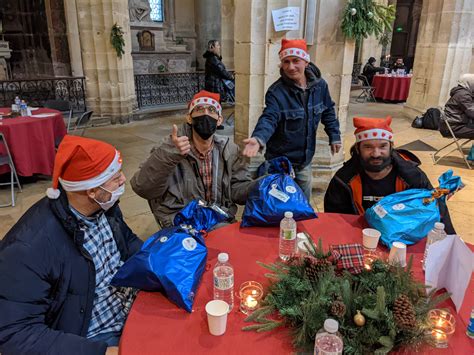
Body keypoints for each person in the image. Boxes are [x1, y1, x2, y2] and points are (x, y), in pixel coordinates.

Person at [0, 135, 143, 355]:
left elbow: (128, 243)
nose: (123, 180)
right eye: (115, 177)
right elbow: (16, 334)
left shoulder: (104, 206)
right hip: (92, 336)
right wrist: (105, 352)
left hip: (127, 303)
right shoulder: (28, 247)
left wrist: (158, 260)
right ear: (91, 190)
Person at [131, 90, 256, 228]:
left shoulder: (229, 149)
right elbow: (143, 188)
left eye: (212, 110)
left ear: (219, 119)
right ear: (189, 118)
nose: (206, 114)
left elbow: (236, 190)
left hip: (218, 218)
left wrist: (262, 184)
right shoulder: (171, 146)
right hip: (182, 222)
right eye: (199, 109)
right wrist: (169, 153)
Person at [242, 38, 342, 200]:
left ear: (306, 62)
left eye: (296, 61)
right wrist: (259, 138)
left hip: (304, 162)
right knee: (277, 205)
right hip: (278, 163)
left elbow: (328, 110)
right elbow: (269, 117)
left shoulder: (320, 86)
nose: (291, 67)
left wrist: (334, 135)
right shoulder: (276, 92)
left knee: (303, 206)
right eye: (286, 62)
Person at [324, 116, 455, 234]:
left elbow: (436, 211)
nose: (376, 154)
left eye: (382, 146)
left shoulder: (412, 177)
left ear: (391, 147)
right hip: (359, 236)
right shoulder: (343, 180)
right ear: (358, 149)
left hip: (403, 238)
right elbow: (334, 221)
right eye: (368, 147)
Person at [440, 73, 474, 139]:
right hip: (453, 128)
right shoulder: (463, 95)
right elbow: (472, 112)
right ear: (470, 83)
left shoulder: (461, 92)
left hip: (453, 125)